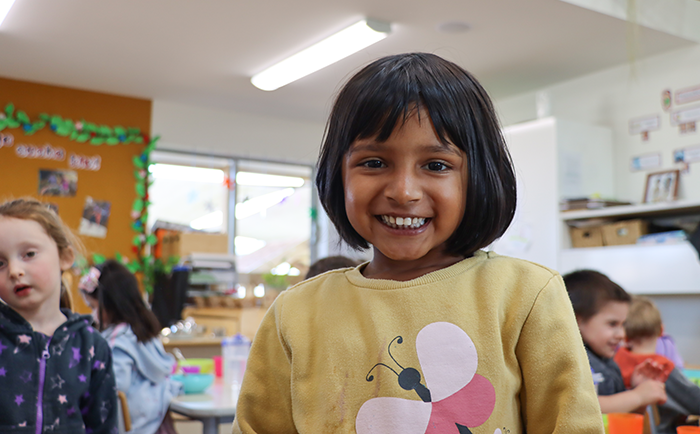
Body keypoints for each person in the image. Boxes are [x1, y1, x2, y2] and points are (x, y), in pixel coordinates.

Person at [232, 53, 603, 433]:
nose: (404, 192)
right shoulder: (294, 313)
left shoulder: (527, 295)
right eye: (374, 162)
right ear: (336, 174)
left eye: (437, 165)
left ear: (478, 177)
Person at [0, 197, 117, 433]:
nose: (14, 271)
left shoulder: (92, 347)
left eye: (29, 254)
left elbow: (103, 427)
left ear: (65, 256)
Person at [79, 259, 181, 434]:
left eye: (94, 307)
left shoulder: (117, 339)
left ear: (112, 304)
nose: (93, 315)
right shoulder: (143, 330)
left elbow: (116, 385)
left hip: (133, 425)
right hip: (157, 420)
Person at [563, 269, 667, 414]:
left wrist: (636, 390)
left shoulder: (608, 361)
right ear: (577, 320)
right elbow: (583, 408)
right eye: (612, 324)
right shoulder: (570, 359)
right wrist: (637, 396)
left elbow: (623, 416)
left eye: (623, 324)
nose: (621, 334)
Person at [615, 296, 700, 434]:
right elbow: (697, 402)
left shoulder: (616, 361)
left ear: (625, 336)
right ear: (661, 331)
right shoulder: (663, 369)